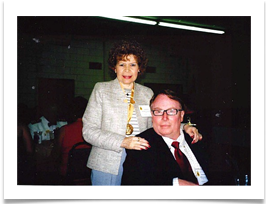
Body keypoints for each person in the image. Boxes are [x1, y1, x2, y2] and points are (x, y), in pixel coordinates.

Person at [82, 40, 202, 185]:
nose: (127, 70)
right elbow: (89, 131)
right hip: (108, 161)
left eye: (133, 65)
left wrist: (184, 126)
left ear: (139, 69)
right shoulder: (101, 90)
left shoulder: (147, 93)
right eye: (122, 65)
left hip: (142, 158)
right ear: (114, 68)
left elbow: (158, 121)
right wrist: (123, 142)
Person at [122, 89, 209, 185]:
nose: (164, 117)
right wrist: (174, 184)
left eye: (171, 111)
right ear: (152, 115)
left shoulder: (197, 138)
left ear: (181, 115)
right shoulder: (140, 146)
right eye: (158, 111)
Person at [54, 96, 91, 178]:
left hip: (68, 174)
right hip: (88, 174)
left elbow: (55, 154)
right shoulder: (93, 130)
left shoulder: (64, 130)